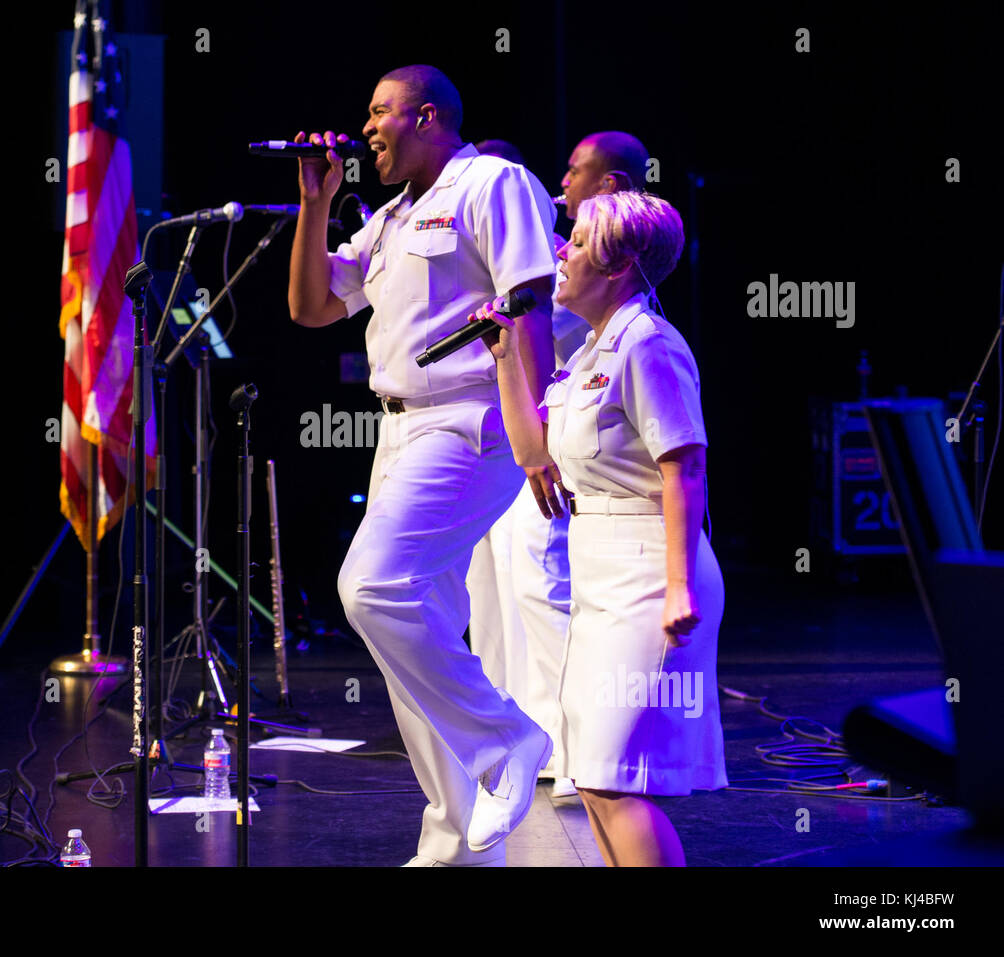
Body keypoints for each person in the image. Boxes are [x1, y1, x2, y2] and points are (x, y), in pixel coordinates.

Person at [287, 65, 559, 865]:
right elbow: (310, 307)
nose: (367, 127)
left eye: (380, 112)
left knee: (370, 585)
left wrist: (535, 429)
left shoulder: (491, 181)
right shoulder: (392, 218)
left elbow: (528, 301)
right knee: (418, 635)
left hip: (467, 422)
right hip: (398, 432)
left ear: (428, 114)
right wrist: (315, 201)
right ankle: (456, 844)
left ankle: (509, 737)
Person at [470, 190, 726, 866]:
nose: (561, 251)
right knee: (589, 777)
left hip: (649, 574)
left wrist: (678, 587)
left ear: (619, 264)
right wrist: (502, 355)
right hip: (598, 574)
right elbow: (535, 454)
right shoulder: (590, 353)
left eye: (577, 242)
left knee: (617, 777)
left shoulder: (649, 345)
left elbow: (686, 465)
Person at [466, 133, 649, 800]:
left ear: (611, 184)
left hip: (567, 438)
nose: (561, 180)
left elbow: (552, 324)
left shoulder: (611, 256)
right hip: (523, 429)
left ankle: (577, 747)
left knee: (542, 579)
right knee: (496, 583)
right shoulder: (557, 244)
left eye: (575, 172)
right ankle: (513, 735)